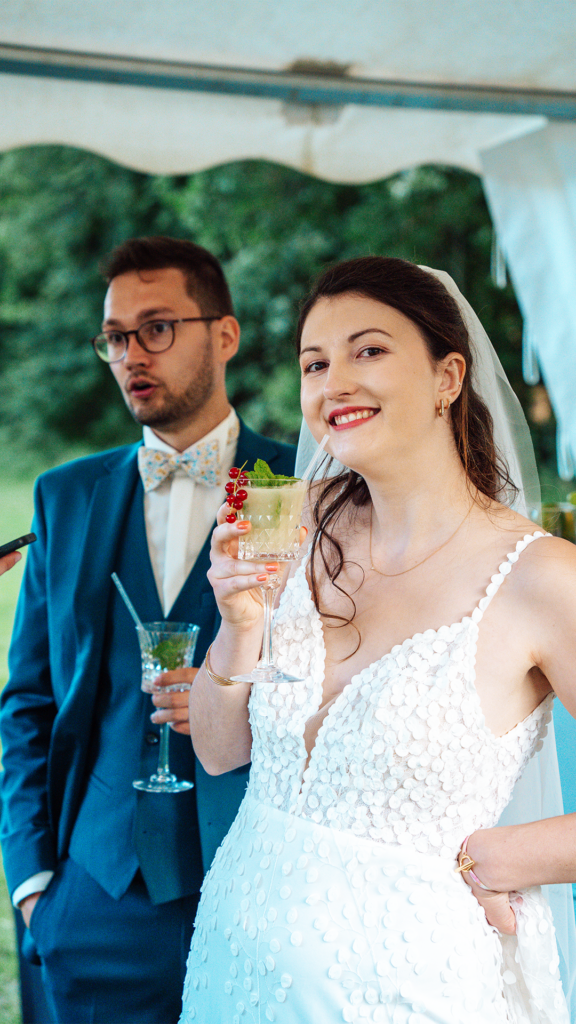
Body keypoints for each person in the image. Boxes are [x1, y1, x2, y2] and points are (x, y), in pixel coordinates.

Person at [179, 256, 576, 1023]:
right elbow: (220, 752)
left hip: (411, 986)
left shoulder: (543, 579)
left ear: (447, 377)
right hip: (233, 963)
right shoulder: (288, 519)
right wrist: (240, 630)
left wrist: (505, 856)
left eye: (369, 350)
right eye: (315, 363)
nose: (335, 383)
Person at [0, 236, 295, 1024]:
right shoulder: (65, 496)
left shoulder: (299, 485)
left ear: (224, 336)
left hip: (258, 887)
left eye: (156, 328)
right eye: (116, 336)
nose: (132, 353)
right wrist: (33, 885)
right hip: (92, 895)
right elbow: (27, 700)